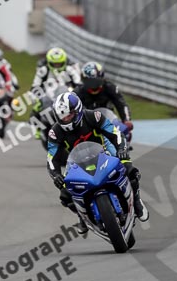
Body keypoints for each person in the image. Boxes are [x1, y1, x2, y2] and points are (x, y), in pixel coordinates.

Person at [47, 91, 148, 235]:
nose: (67, 119)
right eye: (63, 118)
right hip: (76, 162)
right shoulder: (55, 132)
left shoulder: (93, 116)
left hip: (103, 152)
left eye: (69, 115)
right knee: (65, 193)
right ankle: (81, 216)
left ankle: (137, 202)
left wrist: (121, 150)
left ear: (78, 110)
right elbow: (52, 158)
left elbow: (115, 133)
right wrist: (56, 175)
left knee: (128, 168)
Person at [75, 62, 133, 140]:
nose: (92, 85)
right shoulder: (78, 92)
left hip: (109, 120)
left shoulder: (110, 88)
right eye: (89, 81)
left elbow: (121, 104)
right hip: (88, 123)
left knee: (126, 133)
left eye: (94, 81)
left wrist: (126, 120)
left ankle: (124, 149)